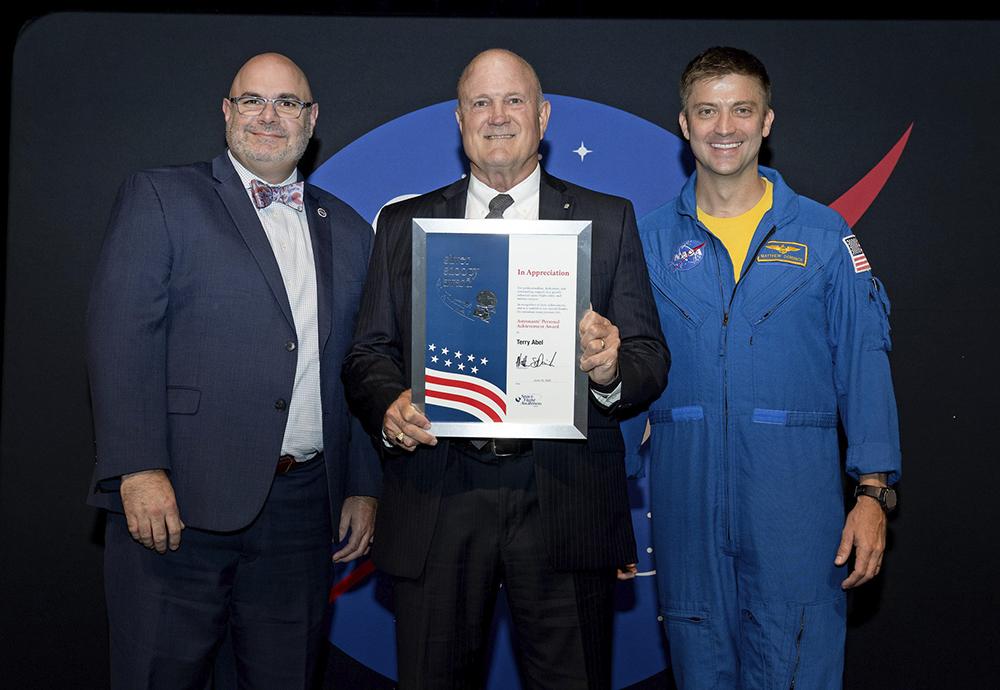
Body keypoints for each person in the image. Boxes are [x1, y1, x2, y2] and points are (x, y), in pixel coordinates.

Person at [343, 49, 669, 689]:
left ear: (542, 116)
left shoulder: (609, 219)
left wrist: (608, 369)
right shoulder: (406, 224)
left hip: (563, 499)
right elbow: (367, 353)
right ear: (459, 121)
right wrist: (390, 404)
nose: (497, 117)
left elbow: (649, 359)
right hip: (438, 494)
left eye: (514, 100)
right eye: (480, 103)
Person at [86, 52, 380, 689]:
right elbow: (121, 338)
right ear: (227, 111)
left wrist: (362, 484)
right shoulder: (162, 196)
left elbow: (361, 365)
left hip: (304, 514)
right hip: (177, 503)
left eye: (287, 103)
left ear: (313, 119)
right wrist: (137, 468)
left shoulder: (353, 231)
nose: (269, 116)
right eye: (253, 100)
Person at [635, 46, 901, 688]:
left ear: (767, 121)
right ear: (684, 123)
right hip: (686, 506)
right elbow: (620, 375)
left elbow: (865, 365)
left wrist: (873, 494)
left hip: (795, 513)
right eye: (707, 111)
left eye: (741, 110)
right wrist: (611, 499)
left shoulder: (823, 238)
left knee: (797, 667)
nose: (724, 128)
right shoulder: (644, 243)